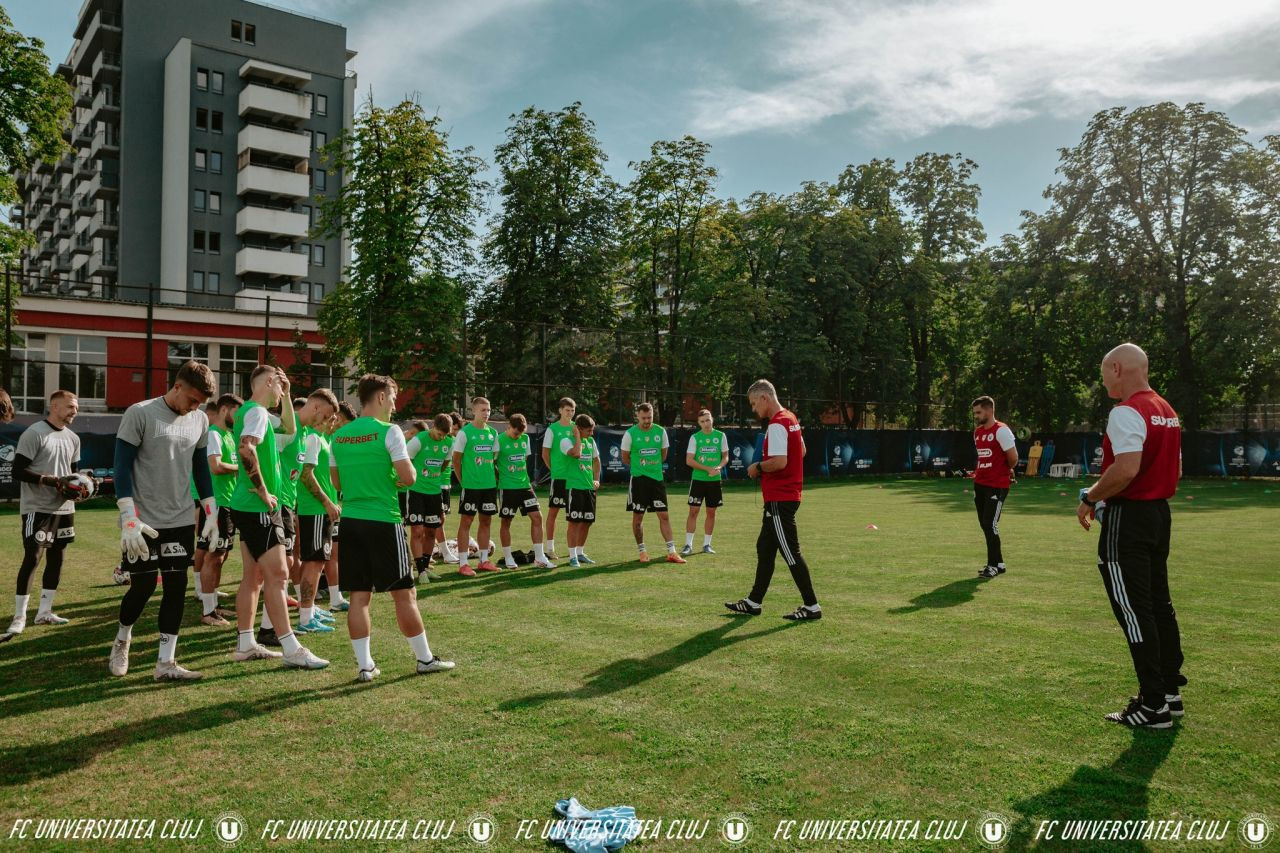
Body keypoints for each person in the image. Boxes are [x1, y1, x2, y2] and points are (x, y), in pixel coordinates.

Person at [1077, 343, 1185, 729]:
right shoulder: (1166, 410)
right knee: (1158, 604)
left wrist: (1090, 497)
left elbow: (1126, 470)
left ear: (1118, 368)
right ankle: (1170, 693)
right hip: (1159, 516)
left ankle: (1153, 704)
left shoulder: (1126, 411)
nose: (1103, 378)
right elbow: (1176, 470)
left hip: (1130, 519)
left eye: (1105, 371)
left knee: (1134, 611)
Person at [330, 374, 454, 681]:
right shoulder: (390, 432)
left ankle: (364, 666)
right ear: (382, 397)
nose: (395, 406)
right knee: (404, 594)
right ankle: (424, 659)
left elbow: (337, 483)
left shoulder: (339, 437)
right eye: (394, 398)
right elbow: (409, 477)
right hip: (383, 520)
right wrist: (393, 476)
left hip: (351, 521)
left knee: (359, 596)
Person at [108, 361, 221, 679]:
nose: (196, 407)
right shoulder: (139, 413)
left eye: (201, 403)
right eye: (193, 399)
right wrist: (128, 515)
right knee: (142, 587)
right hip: (143, 521)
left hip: (181, 518)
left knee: (176, 587)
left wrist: (210, 511)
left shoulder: (199, 420)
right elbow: (121, 467)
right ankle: (122, 639)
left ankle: (165, 663)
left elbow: (201, 467)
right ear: (177, 387)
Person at [228, 365, 327, 669]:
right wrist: (261, 490)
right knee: (279, 575)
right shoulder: (256, 413)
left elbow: (289, 427)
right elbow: (246, 449)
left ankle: (245, 643)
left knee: (254, 577)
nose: (278, 395)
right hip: (258, 507)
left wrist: (284, 395)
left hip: (244, 505)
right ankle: (291, 648)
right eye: (277, 388)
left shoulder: (250, 411)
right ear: (268, 382)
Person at [725, 379, 821, 621]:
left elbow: (779, 462)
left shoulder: (778, 424)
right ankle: (753, 601)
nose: (754, 409)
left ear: (765, 398)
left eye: (754, 404)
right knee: (764, 548)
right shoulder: (790, 418)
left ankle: (812, 606)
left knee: (791, 553)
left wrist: (757, 466)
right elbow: (802, 451)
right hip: (785, 495)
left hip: (780, 497)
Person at [5, 390, 82, 638]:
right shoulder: (35, 433)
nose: (74, 411)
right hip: (37, 507)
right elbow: (17, 471)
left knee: (58, 557)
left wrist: (80, 488)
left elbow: (73, 476)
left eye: (76, 408)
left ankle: (45, 612)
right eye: (70, 406)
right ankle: (19, 617)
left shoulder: (73, 438)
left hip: (64, 508)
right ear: (54, 406)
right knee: (33, 557)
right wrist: (50, 481)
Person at [286, 389, 339, 634]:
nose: (328, 422)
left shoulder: (318, 438)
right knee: (314, 561)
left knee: (317, 561)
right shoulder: (312, 438)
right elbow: (306, 475)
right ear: (316, 408)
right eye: (327, 416)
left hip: (319, 510)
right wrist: (327, 503)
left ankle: (310, 610)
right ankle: (305, 616)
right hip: (314, 509)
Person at [197, 393, 241, 626]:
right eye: (237, 412)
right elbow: (215, 466)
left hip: (229, 503)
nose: (240, 417)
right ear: (225, 410)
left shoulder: (229, 435)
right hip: (217, 504)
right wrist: (241, 468)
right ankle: (207, 612)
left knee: (221, 555)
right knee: (213, 556)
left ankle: (214, 605)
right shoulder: (214, 434)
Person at [622, 403, 685, 564]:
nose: (647, 421)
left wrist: (651, 466)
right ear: (637, 416)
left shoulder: (660, 431)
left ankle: (672, 552)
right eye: (643, 418)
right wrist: (640, 467)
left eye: (649, 417)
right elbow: (625, 457)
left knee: (664, 515)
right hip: (638, 481)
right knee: (638, 518)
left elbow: (663, 455)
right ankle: (642, 551)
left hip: (657, 480)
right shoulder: (630, 434)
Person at [497, 414, 555, 569]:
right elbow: (492, 463)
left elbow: (524, 461)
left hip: (525, 486)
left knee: (537, 517)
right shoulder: (499, 440)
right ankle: (508, 557)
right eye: (516, 433)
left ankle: (539, 557)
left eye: (521, 433)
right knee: (506, 521)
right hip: (507, 487)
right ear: (508, 426)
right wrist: (501, 477)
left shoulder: (525, 439)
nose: (519, 436)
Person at [452, 397, 501, 576]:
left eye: (488, 410)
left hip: (489, 486)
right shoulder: (465, 433)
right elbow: (456, 459)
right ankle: (463, 563)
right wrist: (463, 480)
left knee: (486, 521)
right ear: (473, 411)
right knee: (466, 521)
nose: (486, 413)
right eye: (483, 410)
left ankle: (483, 560)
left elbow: (493, 458)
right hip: (471, 486)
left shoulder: (493, 433)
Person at [971, 395, 1018, 578]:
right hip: (980, 483)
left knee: (990, 524)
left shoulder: (1002, 430)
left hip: (996, 485)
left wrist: (1005, 472)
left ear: (989, 410)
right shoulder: (978, 432)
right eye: (975, 413)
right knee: (985, 524)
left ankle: (992, 566)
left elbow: (1012, 458)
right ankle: (999, 563)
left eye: (979, 412)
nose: (976, 416)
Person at [405, 414, 456, 580]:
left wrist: (433, 477)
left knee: (431, 531)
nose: (441, 438)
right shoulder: (419, 440)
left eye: (444, 435)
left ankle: (425, 569)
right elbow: (405, 459)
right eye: (439, 434)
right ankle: (419, 571)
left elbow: (445, 463)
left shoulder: (449, 443)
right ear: (433, 426)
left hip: (434, 492)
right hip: (416, 491)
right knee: (417, 530)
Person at [683, 408, 729, 556]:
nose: (706, 423)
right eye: (702, 421)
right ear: (699, 423)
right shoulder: (695, 438)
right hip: (698, 480)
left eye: (708, 420)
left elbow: (725, 457)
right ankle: (688, 545)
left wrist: (719, 467)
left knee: (711, 512)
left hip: (714, 480)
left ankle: (707, 544)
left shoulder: (721, 436)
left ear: (712, 419)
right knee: (693, 511)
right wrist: (707, 469)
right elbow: (689, 460)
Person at [562, 414, 600, 568]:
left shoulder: (591, 441)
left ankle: (580, 552)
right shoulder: (566, 441)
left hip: (588, 488)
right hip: (574, 487)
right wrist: (577, 437)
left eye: (592, 430)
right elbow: (577, 453)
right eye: (588, 431)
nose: (591, 434)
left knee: (587, 521)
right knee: (574, 522)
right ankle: (572, 557)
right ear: (578, 429)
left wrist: (596, 479)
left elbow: (596, 460)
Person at [540, 397, 576, 559]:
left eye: (572, 410)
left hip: (576, 478)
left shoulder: (576, 428)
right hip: (559, 477)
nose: (570, 413)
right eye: (567, 410)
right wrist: (553, 470)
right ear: (560, 410)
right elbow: (545, 453)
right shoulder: (552, 429)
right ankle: (550, 548)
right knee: (553, 512)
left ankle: (573, 550)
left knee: (573, 515)